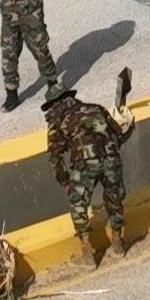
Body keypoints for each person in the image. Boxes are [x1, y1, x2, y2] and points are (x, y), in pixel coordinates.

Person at [43, 66, 130, 261]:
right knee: (114, 199)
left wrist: (65, 182)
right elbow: (117, 133)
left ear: (55, 104)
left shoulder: (57, 122)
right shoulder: (96, 108)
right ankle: (117, 243)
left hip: (84, 164)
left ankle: (87, 251)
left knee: (78, 205)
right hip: (111, 158)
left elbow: (54, 157)